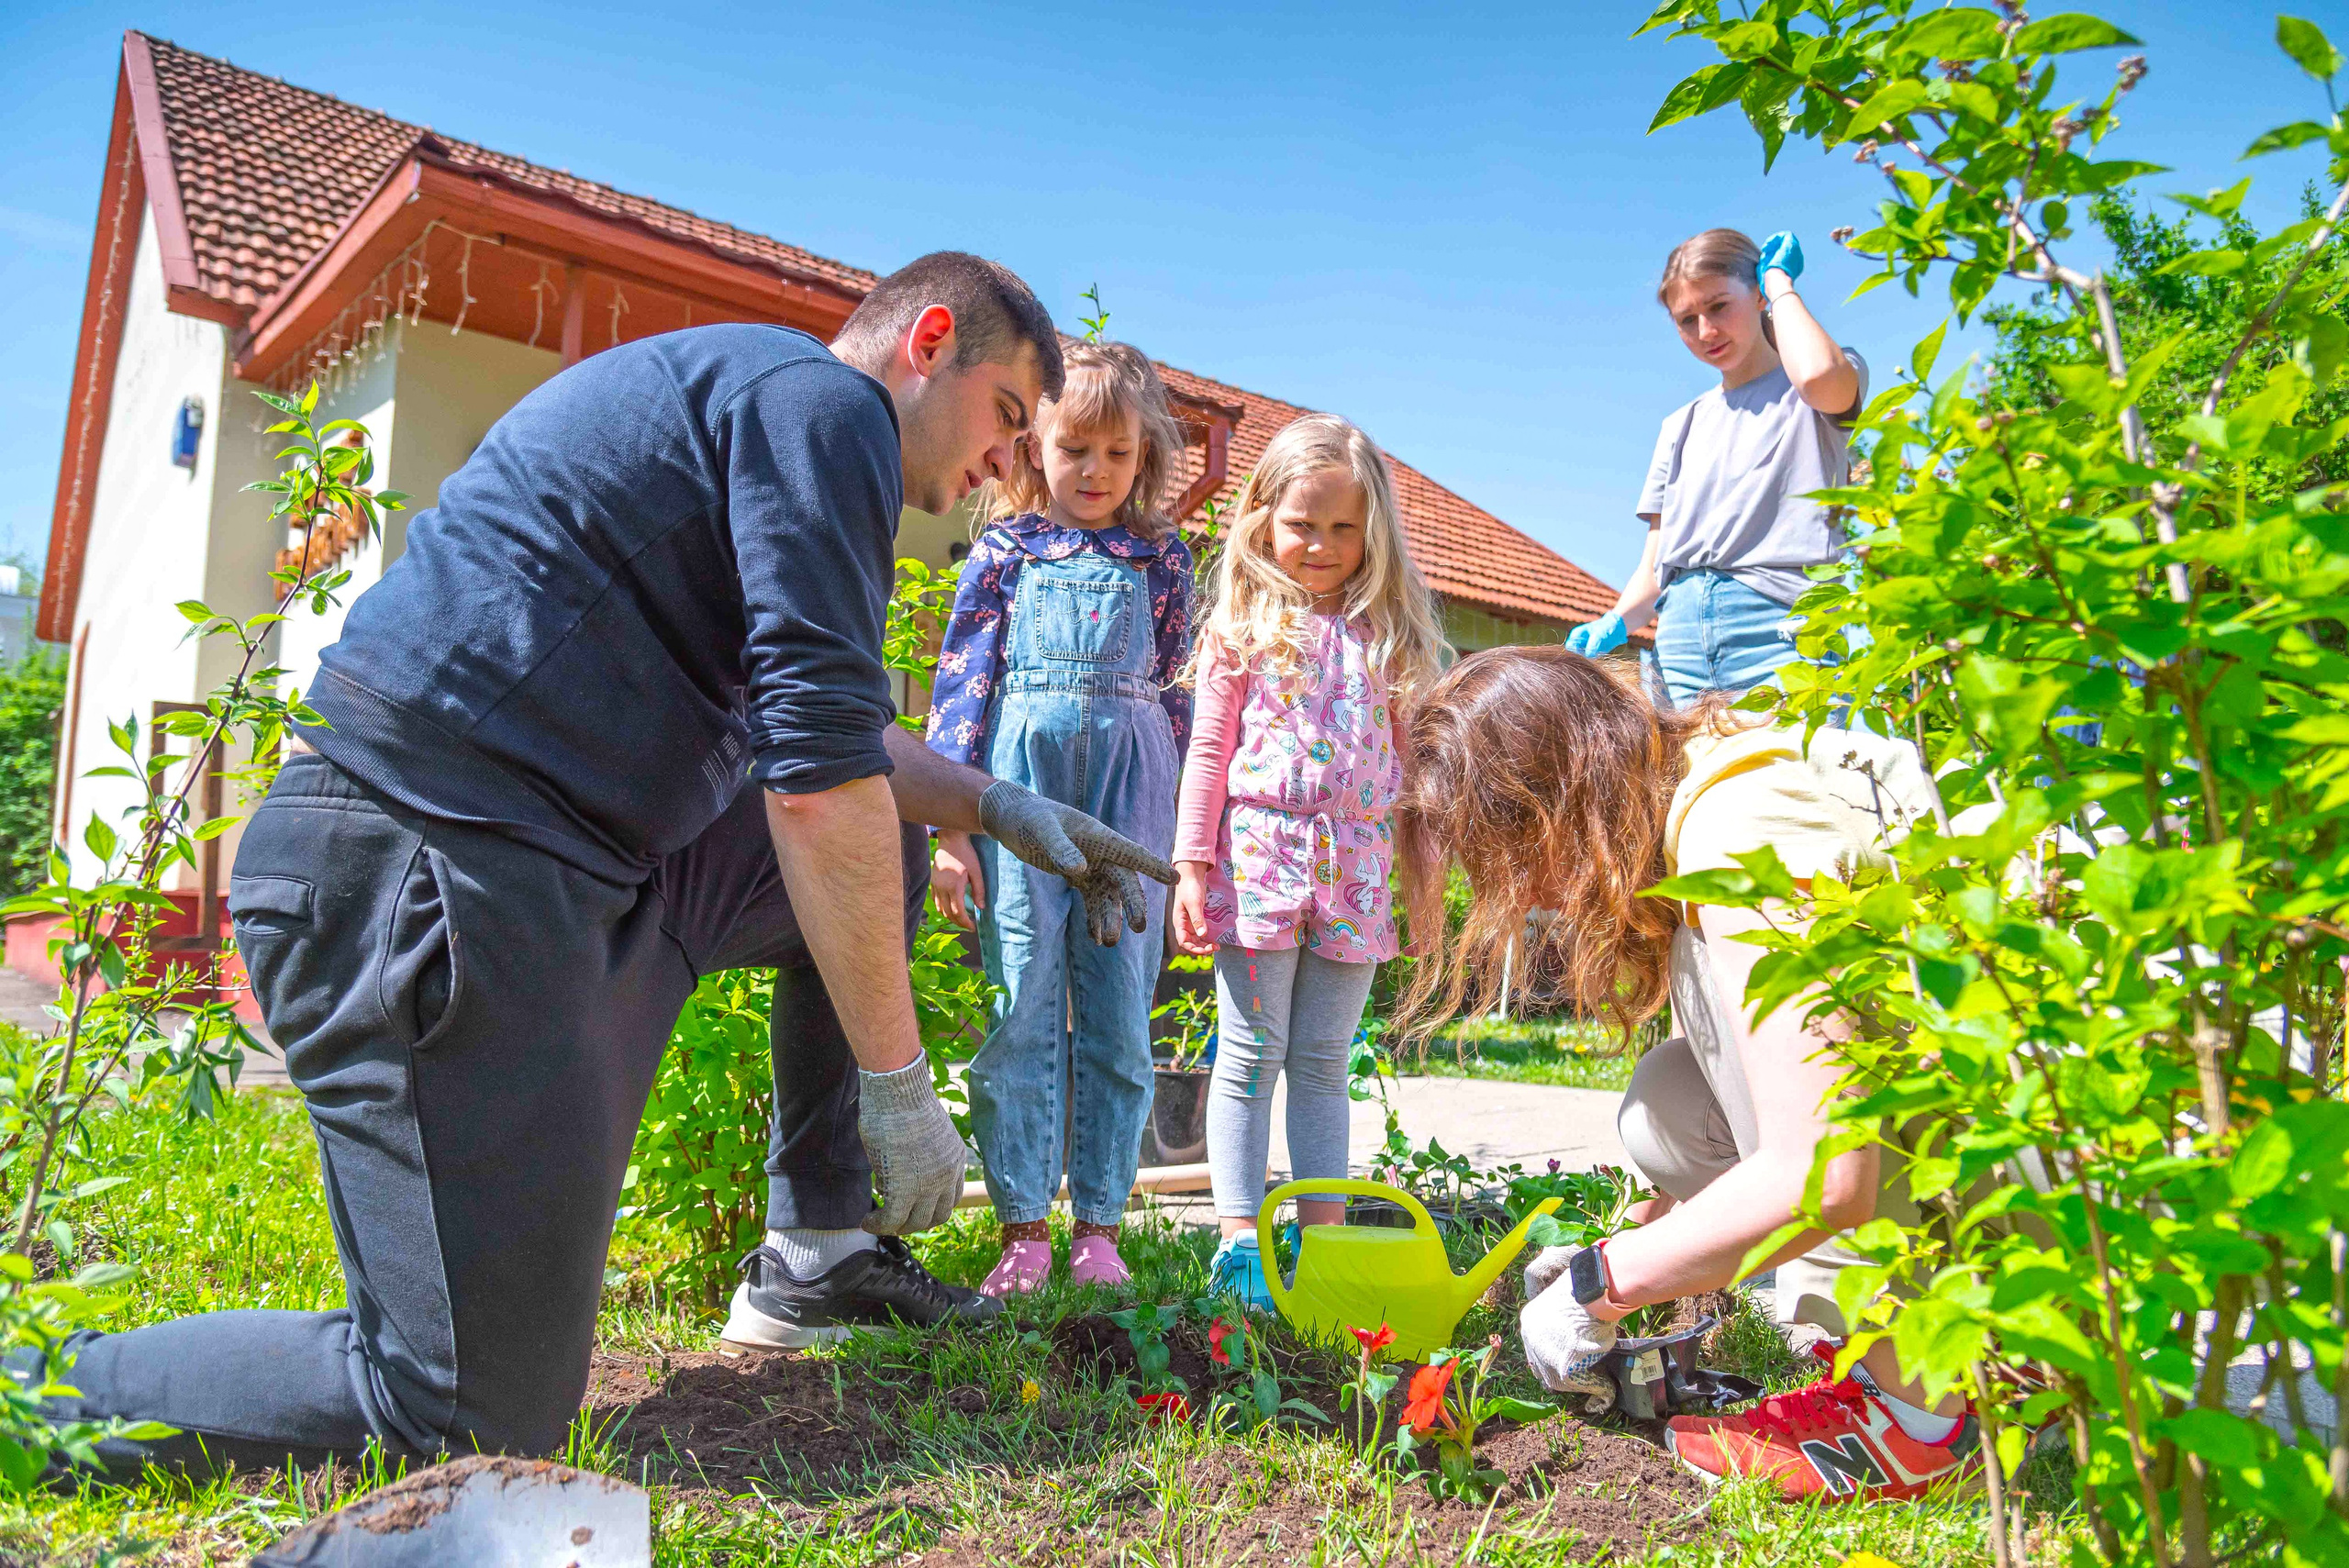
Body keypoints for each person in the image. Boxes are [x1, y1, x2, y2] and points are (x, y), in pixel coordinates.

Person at [33, 253, 1175, 1479]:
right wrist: (900, 1087)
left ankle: (819, 1254)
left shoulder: (762, 416)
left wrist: (997, 805)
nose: (1006, 466)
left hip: (560, 868)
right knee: (465, 1408)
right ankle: (35, 1401)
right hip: (415, 869)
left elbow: (836, 733)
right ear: (929, 341)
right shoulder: (824, 408)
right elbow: (812, 785)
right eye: (1007, 416)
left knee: (882, 829)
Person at [1397, 645, 1975, 1503]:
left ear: (1555, 803)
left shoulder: (1740, 830)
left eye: (1514, 863)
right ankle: (1954, 1348)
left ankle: (1920, 1423)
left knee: (1696, 1104)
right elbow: (1726, 1076)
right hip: (1975, 1137)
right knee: (1665, 1106)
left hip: (2069, 1174)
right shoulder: (1699, 793)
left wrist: (1604, 1286)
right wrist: (1622, 1238)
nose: (1526, 899)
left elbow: (1828, 1170)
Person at [925, 342, 1195, 1295]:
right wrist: (951, 833)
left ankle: (1100, 1224)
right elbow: (961, 688)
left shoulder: (1160, 556)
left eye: (1116, 454)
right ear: (1033, 443)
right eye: (1075, 449)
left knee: (1119, 1009)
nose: (1095, 472)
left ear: (1142, 456)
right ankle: (1021, 1227)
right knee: (1020, 1000)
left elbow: (1179, 697)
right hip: (1019, 788)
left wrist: (1184, 840)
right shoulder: (1005, 551)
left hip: (1131, 791)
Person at [1170, 415, 1446, 1309]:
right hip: (1260, 856)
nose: (1321, 544)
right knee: (1251, 1052)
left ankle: (1322, 1239)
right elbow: (1208, 751)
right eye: (1302, 524)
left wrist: (1426, 884)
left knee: (1324, 1057)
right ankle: (1239, 1241)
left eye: (1341, 526)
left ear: (1373, 530)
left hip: (1357, 866)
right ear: (1262, 518)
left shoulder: (1390, 634)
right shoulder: (1242, 625)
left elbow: (1418, 776)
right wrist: (1189, 862)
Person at [1566, 230, 1867, 707]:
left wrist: (1780, 283)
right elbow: (1656, 565)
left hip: (1782, 631)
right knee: (1694, 784)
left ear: (1759, 296)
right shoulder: (1679, 426)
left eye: (1719, 306)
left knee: (1794, 780)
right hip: (1679, 646)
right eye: (1687, 319)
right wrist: (1617, 620)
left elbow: (1817, 378)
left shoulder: (1813, 388)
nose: (1706, 332)